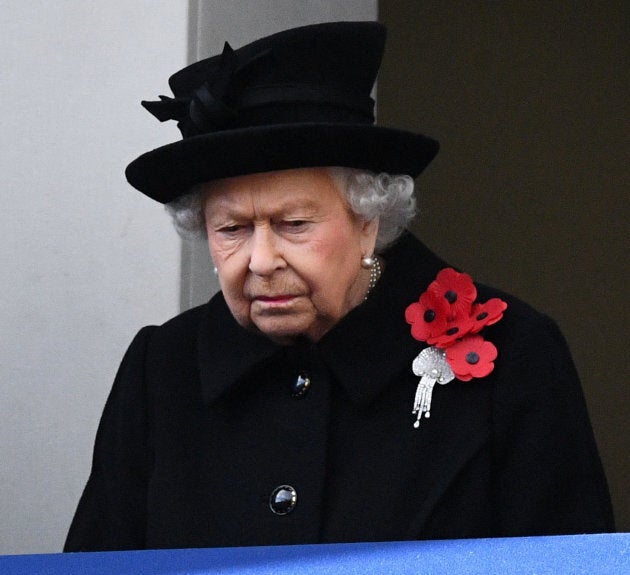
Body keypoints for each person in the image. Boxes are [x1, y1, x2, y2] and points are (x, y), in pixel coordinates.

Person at [64, 21, 614, 551]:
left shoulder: (514, 353)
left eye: (294, 224)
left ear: (368, 220)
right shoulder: (162, 368)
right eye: (231, 229)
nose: (260, 261)